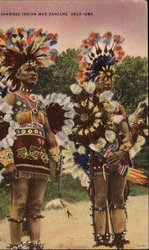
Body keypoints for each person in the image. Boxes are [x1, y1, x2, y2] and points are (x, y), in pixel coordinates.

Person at [0, 27, 60, 250]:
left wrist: (56, 155)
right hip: (19, 157)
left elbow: (48, 132)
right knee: (19, 202)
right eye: (28, 70)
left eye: (35, 71)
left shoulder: (40, 102)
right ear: (17, 74)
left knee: (36, 204)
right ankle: (15, 245)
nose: (33, 73)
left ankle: (36, 244)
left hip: (40, 160)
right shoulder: (11, 98)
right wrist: (7, 160)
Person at [75, 31, 132, 249]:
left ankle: (119, 236)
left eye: (111, 78)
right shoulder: (86, 104)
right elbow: (83, 135)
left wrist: (121, 151)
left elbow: (127, 135)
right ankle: (102, 239)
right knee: (99, 199)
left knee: (118, 197)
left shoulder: (118, 107)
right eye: (103, 78)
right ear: (94, 80)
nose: (108, 81)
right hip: (98, 157)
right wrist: (103, 152)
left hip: (119, 157)